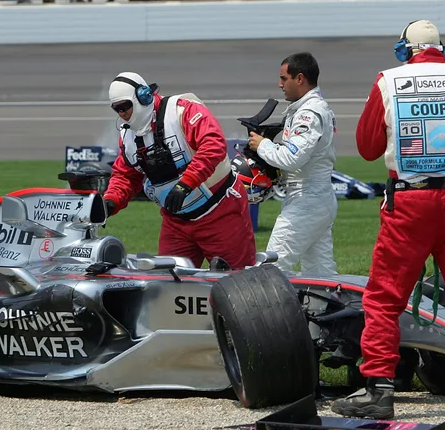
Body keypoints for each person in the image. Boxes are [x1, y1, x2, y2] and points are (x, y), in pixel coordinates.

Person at [331, 20, 445, 421]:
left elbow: (366, 147)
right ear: (442, 49)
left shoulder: (389, 82)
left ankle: (379, 389)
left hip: (410, 204)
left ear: (406, 50)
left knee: (383, 299)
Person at [103, 72, 256, 270]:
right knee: (168, 285)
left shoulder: (183, 111)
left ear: (143, 96)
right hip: (175, 222)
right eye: (117, 109)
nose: (122, 113)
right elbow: (126, 175)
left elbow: (213, 145)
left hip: (220, 212)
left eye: (125, 106)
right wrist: (110, 202)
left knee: (237, 283)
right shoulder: (127, 136)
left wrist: (186, 184)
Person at [247, 53, 338, 275]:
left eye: (283, 78)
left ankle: (267, 310)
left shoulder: (309, 112)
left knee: (271, 270)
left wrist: (263, 145)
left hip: (307, 201)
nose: (280, 84)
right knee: (320, 275)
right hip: (315, 198)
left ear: (300, 78)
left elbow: (292, 158)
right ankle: (322, 308)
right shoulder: (307, 107)